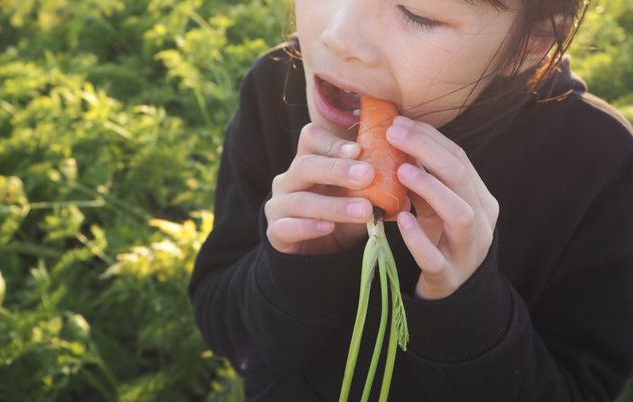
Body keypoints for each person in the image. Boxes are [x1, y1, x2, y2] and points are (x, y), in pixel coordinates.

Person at [189, 0, 633, 400]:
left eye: (417, 13)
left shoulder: (600, 165)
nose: (338, 36)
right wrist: (292, 270)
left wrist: (468, 308)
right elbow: (224, 330)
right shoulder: (273, 86)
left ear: (532, 42)